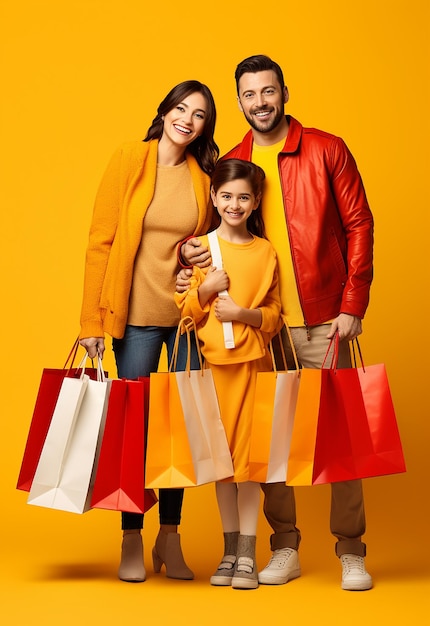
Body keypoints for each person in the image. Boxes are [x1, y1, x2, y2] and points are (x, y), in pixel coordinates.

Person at [178, 55, 374, 591]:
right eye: (248, 95)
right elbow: (209, 233)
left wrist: (352, 304)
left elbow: (358, 221)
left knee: (342, 438)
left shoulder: (326, 148)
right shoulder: (234, 158)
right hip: (260, 329)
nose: (259, 102)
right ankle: (284, 545)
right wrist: (185, 274)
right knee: (269, 444)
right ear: (238, 100)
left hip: (323, 316)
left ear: (284, 91)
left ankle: (351, 552)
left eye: (268, 92)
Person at [79, 80, 219, 583]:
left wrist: (195, 259)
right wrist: (91, 321)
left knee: (176, 434)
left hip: (183, 322)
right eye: (180, 109)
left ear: (206, 126)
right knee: (134, 433)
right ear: (164, 112)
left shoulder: (204, 179)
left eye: (199, 115)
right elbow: (101, 241)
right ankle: (132, 539)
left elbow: (201, 247)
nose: (187, 119)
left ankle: (171, 538)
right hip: (134, 319)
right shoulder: (128, 159)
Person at [175, 158, 282, 589]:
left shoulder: (265, 251)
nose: (234, 204)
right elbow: (184, 312)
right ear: (214, 199)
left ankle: (247, 556)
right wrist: (205, 289)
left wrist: (244, 313)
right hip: (213, 371)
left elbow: (274, 313)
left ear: (255, 202)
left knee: (250, 465)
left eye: (243, 197)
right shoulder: (201, 249)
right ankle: (228, 548)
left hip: (255, 370)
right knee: (222, 466)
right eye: (226, 196)